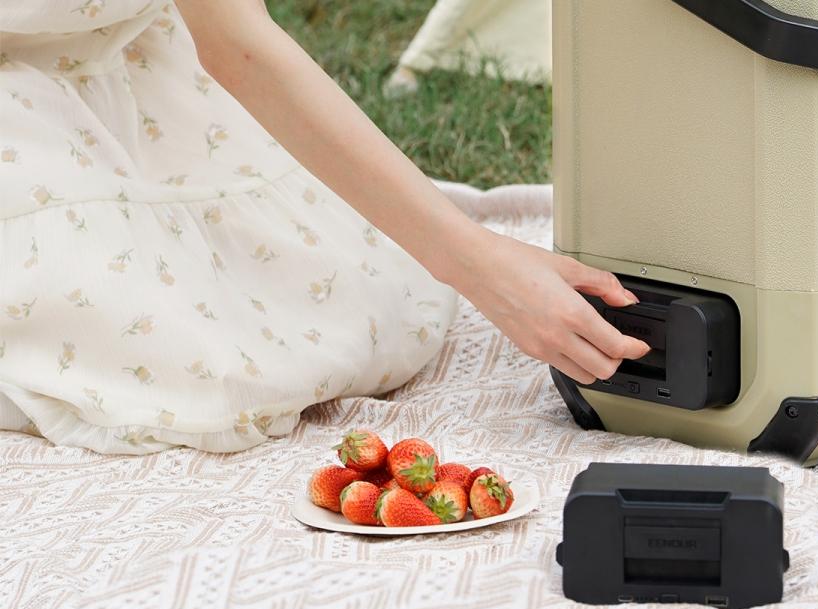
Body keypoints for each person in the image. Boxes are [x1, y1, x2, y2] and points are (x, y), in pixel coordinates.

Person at [0, 0, 649, 454]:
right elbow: (236, 46)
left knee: (355, 305)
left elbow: (234, 31)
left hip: (133, 69)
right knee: (179, 373)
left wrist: (469, 254)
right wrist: (481, 265)